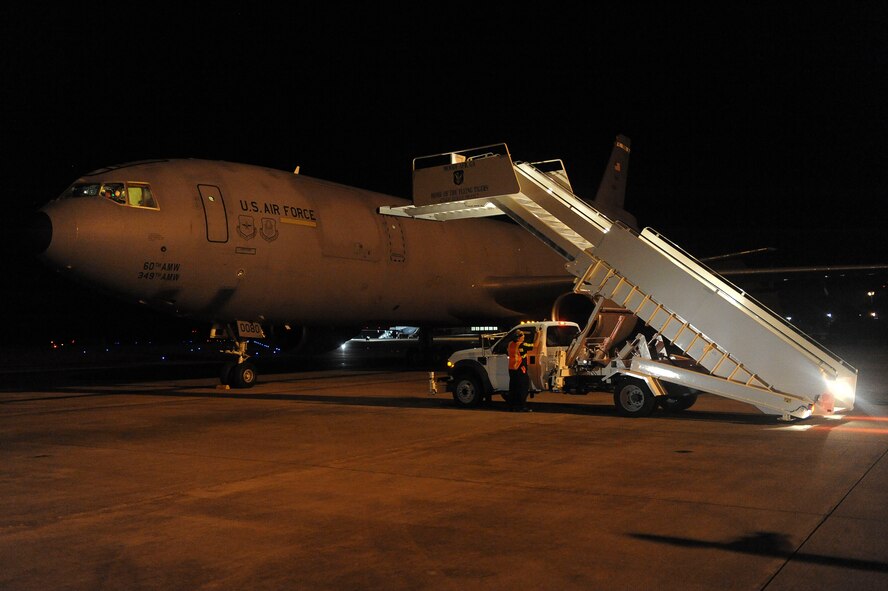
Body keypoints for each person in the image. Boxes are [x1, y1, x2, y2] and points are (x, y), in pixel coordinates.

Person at [507, 331, 533, 412]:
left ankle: (512, 406)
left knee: (513, 388)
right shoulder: (522, 344)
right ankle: (521, 406)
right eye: (523, 336)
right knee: (523, 388)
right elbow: (534, 346)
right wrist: (539, 334)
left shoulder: (510, 344)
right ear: (518, 338)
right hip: (520, 369)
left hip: (512, 369)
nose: (524, 337)